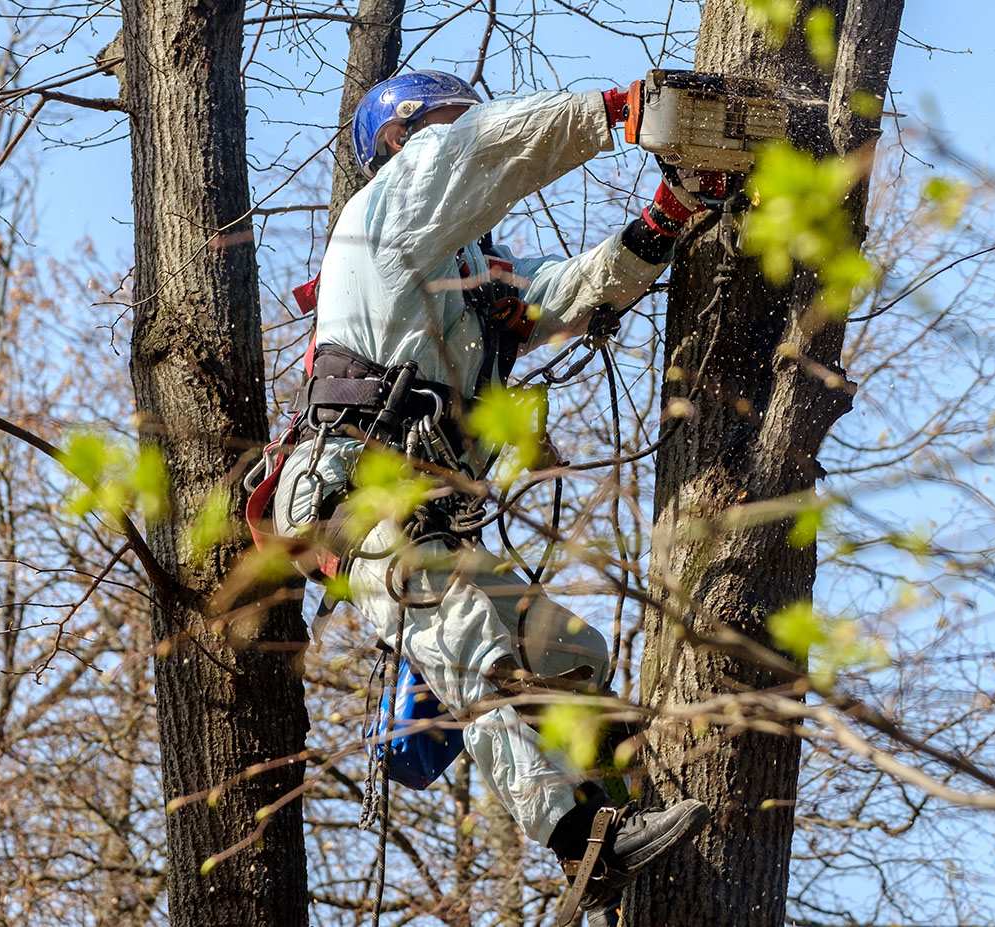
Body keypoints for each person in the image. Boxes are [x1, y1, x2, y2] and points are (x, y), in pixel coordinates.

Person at [272, 70, 713, 924]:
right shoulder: (384, 216)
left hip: (430, 515)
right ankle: (579, 835)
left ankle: (616, 797)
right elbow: (486, 150)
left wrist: (670, 213)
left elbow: (577, 291)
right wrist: (617, 113)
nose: (465, 128)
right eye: (446, 121)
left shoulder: (473, 270)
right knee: (474, 642)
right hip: (361, 497)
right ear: (404, 139)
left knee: (567, 648)